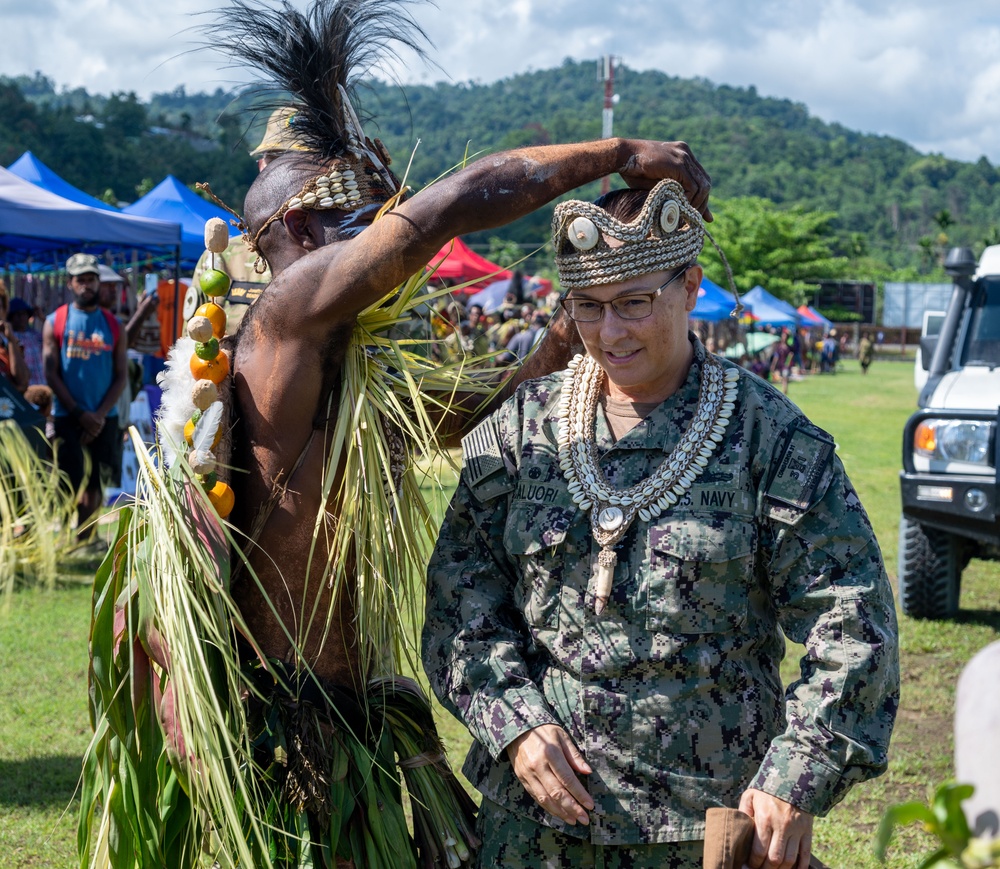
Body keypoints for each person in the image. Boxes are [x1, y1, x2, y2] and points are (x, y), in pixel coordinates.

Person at [80, 2, 715, 866]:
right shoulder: (282, 326)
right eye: (361, 230)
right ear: (299, 234)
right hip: (281, 743)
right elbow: (447, 209)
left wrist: (572, 328)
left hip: (356, 730)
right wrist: (617, 153)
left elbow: (474, 412)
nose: (388, 257)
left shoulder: (348, 374)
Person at [423, 180, 899, 869]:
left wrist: (797, 775)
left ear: (690, 285)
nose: (610, 332)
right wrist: (515, 723)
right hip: (534, 832)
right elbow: (459, 603)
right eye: (587, 307)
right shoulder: (525, 430)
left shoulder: (770, 439)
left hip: (707, 829)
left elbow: (856, 623)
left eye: (634, 304)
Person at [42, 253, 127, 539]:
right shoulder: (56, 321)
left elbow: (121, 376)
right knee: (69, 479)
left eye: (91, 280)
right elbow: (51, 374)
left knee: (95, 483)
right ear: (70, 283)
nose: (87, 286)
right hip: (69, 415)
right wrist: (81, 414)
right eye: (81, 280)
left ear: (98, 282)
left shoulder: (113, 325)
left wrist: (99, 416)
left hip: (105, 418)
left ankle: (85, 538)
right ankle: (64, 537)